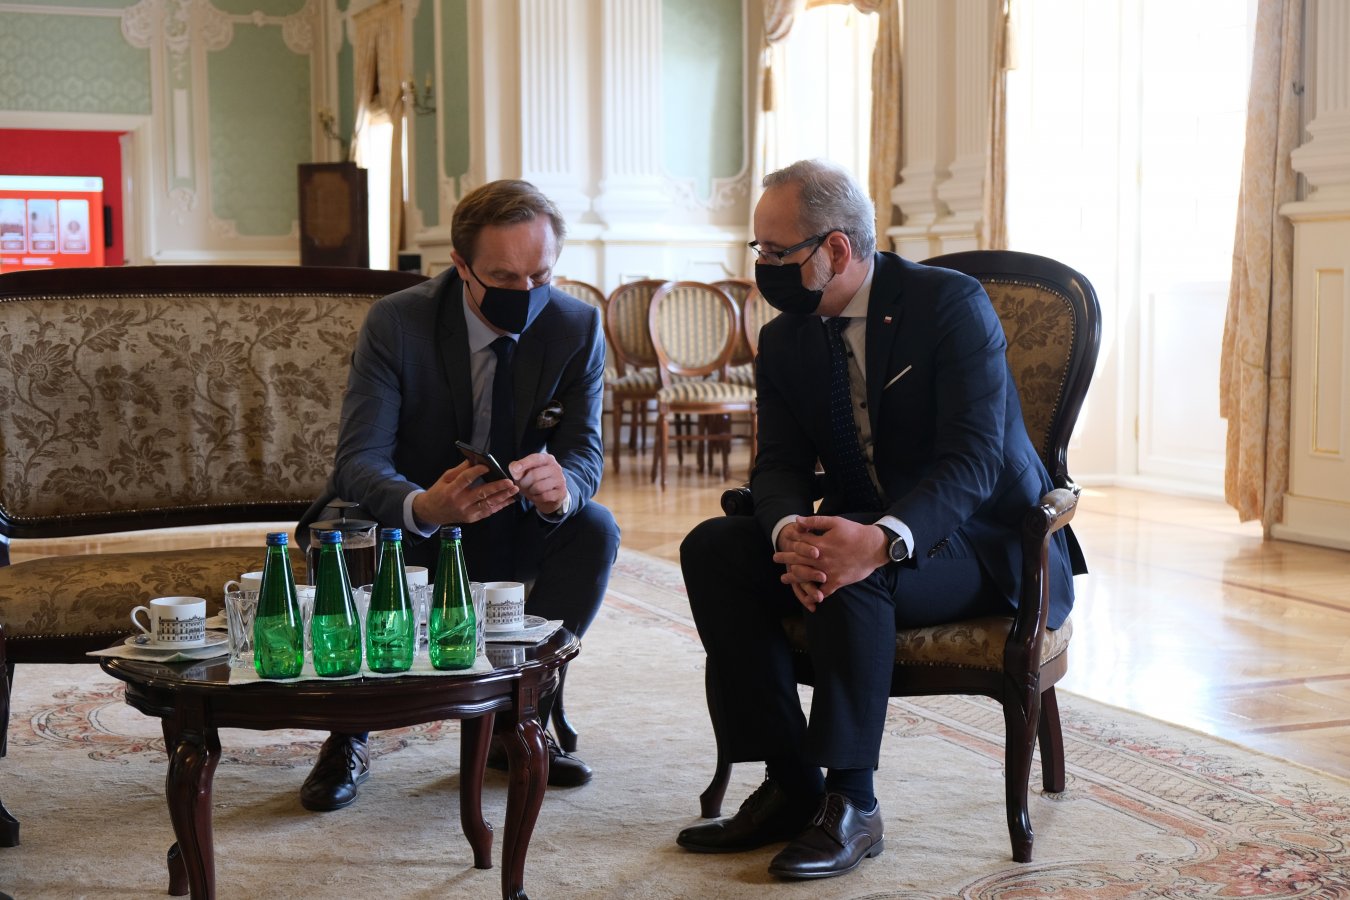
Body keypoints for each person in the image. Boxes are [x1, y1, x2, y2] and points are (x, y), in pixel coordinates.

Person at [676, 160, 1083, 880]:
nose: (761, 268)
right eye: (759, 250)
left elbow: (973, 461)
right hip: (863, 520)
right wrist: (787, 530)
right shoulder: (787, 338)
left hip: (983, 541)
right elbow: (778, 464)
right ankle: (791, 783)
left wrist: (882, 542)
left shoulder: (948, 305)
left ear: (835, 249)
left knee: (853, 570)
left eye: (776, 252)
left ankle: (852, 802)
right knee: (716, 547)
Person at [297, 179, 620, 812]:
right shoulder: (399, 322)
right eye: (503, 277)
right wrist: (423, 506)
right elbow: (357, 459)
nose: (525, 292)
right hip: (408, 521)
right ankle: (348, 734)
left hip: (513, 517)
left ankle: (518, 719)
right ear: (461, 266)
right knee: (349, 535)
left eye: (540, 275)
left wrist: (563, 490)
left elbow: (584, 452)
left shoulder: (577, 325)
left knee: (594, 528)